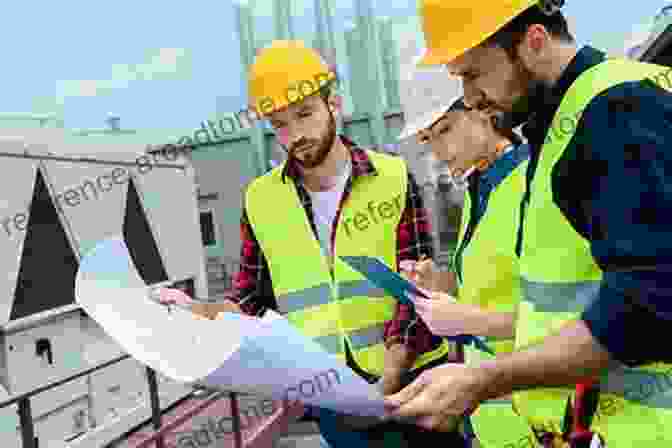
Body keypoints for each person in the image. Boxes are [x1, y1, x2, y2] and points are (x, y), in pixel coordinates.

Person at [385, 1, 672, 446]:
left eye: (472, 74)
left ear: (534, 41)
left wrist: (485, 379)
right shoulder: (565, 120)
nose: (470, 97)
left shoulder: (616, 108)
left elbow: (649, 302)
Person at [158, 40, 464, 447]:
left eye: (304, 114)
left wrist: (385, 385)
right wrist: (192, 309)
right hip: (332, 398)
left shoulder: (392, 177)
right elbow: (248, 302)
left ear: (333, 105)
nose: (295, 134)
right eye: (280, 124)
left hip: (413, 383)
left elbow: (415, 293)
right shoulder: (260, 199)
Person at [401, 93, 538, 448]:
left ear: (483, 112)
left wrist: (464, 319)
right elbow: (491, 287)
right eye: (427, 141)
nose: (438, 152)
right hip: (498, 419)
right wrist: (444, 285)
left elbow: (572, 319)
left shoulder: (532, 183)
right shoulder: (480, 187)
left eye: (444, 130)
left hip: (542, 416)